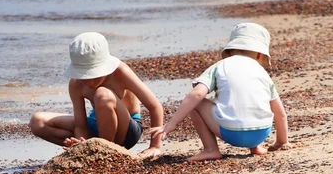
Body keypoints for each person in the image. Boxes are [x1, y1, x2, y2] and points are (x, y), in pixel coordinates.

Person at [152, 22, 290, 161]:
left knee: (197, 104)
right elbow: (281, 114)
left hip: (231, 133)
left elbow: (197, 94)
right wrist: (281, 142)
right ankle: (256, 147)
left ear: (229, 52)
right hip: (261, 132)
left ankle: (211, 150)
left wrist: (172, 124)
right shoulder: (263, 74)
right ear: (260, 55)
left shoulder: (220, 66)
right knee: (252, 99)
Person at [30, 32, 163, 158]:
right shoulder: (76, 84)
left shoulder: (121, 72)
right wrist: (81, 144)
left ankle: (103, 150)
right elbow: (80, 125)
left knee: (102, 94)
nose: (88, 81)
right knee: (37, 121)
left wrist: (155, 146)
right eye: (83, 75)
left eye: (93, 75)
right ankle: (92, 149)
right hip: (97, 125)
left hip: (127, 130)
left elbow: (155, 106)